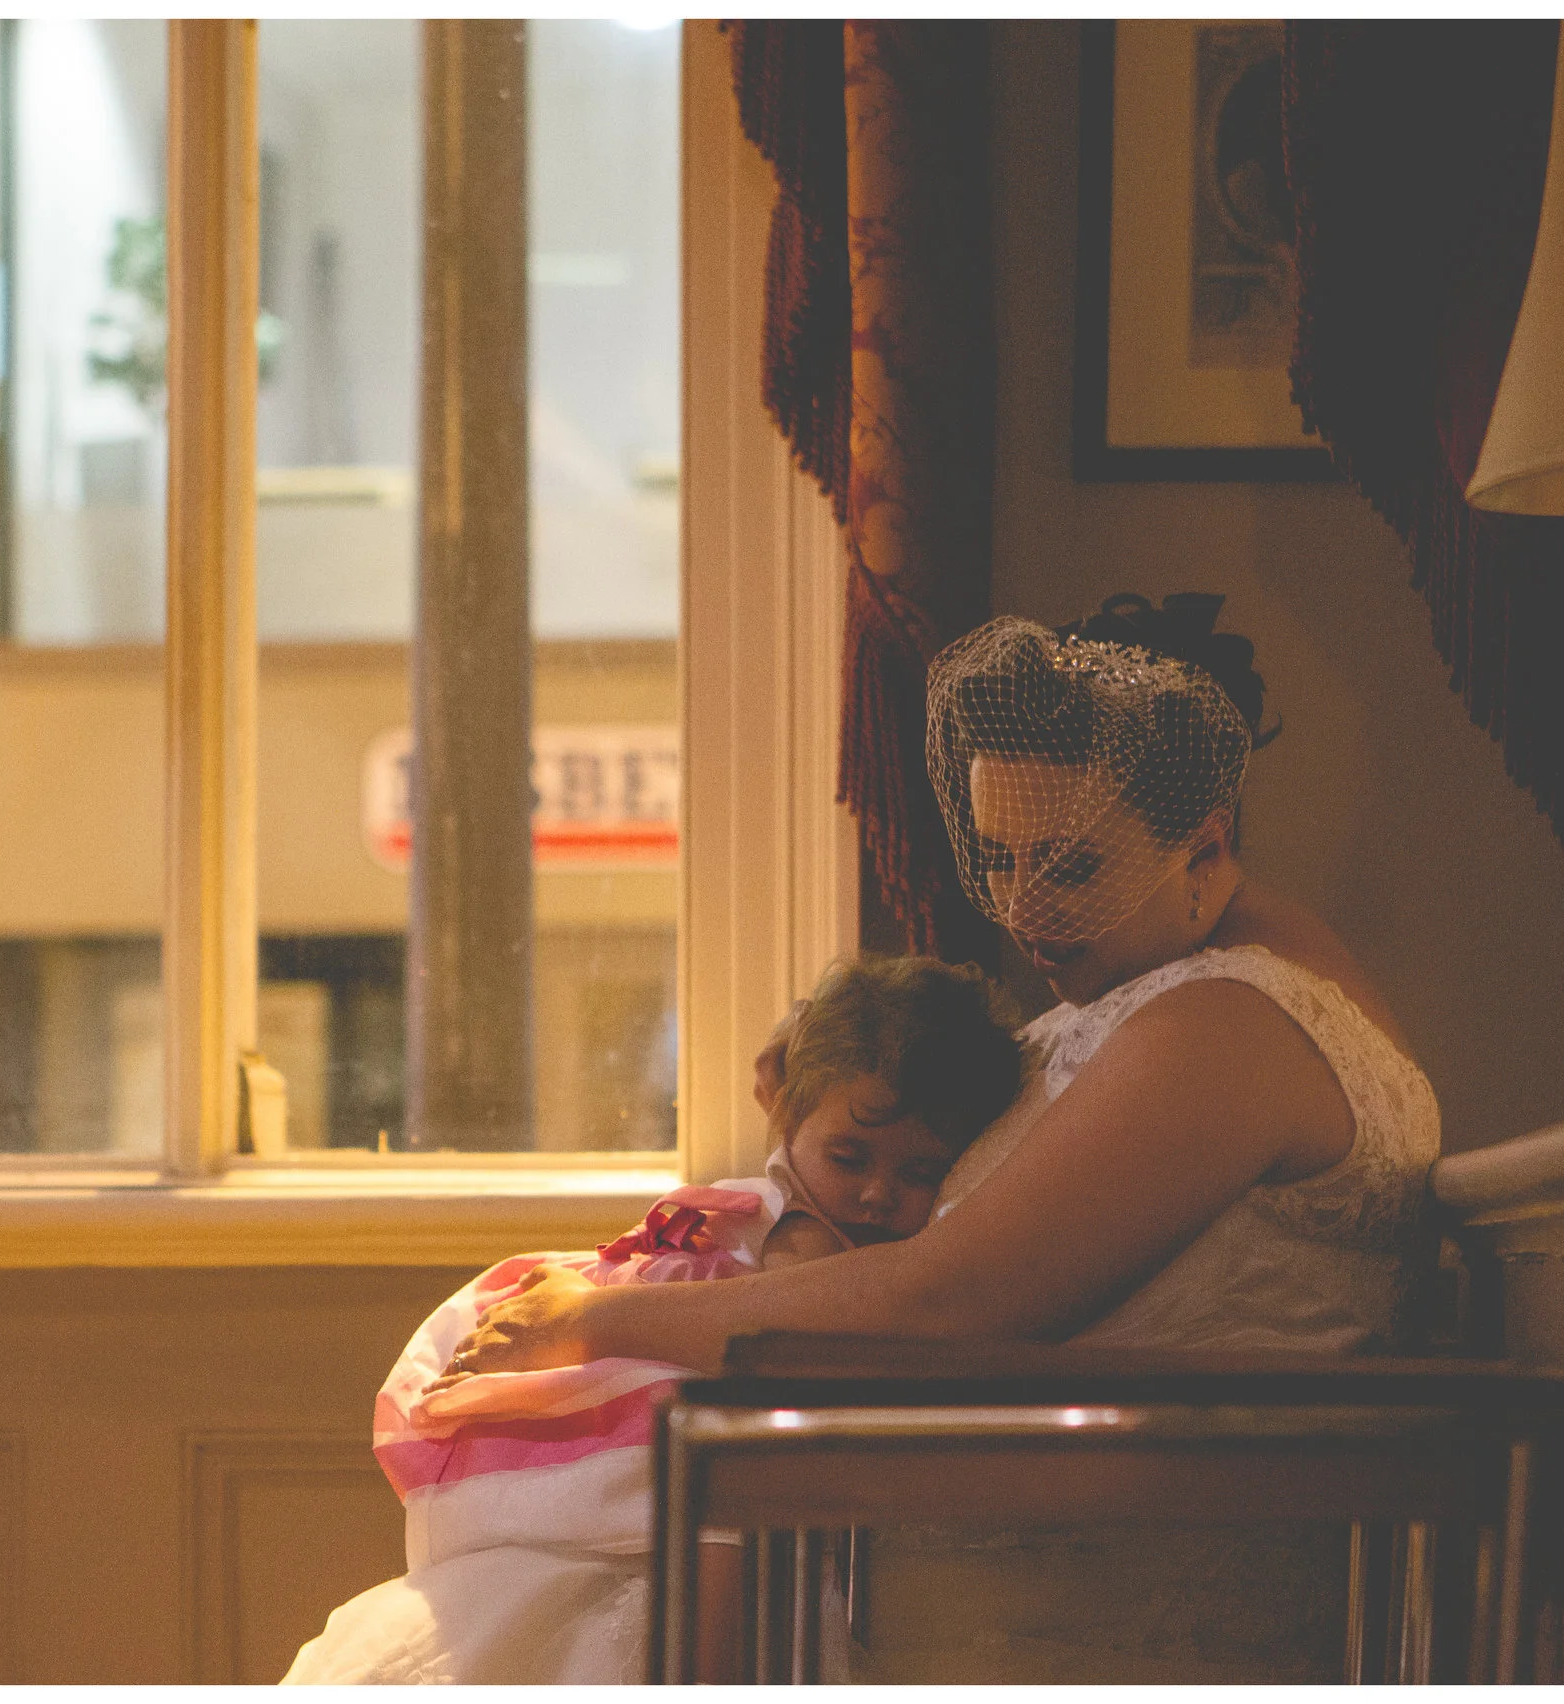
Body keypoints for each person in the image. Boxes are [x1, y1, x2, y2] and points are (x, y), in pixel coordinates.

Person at [438, 591, 1444, 1681]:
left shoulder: (1226, 1024)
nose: (1020, 910)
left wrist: (600, 1323)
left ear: (1204, 849)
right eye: (1000, 857)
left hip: (1106, 1616)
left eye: (1068, 867)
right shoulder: (1157, 994)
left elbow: (946, 1299)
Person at [282, 956, 1029, 1686]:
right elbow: (804, 1349)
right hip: (675, 1421)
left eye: (918, 1173)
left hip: (674, 1427)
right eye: (849, 1156)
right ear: (787, 1112)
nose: (875, 1192)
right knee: (728, 1487)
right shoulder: (800, 1242)